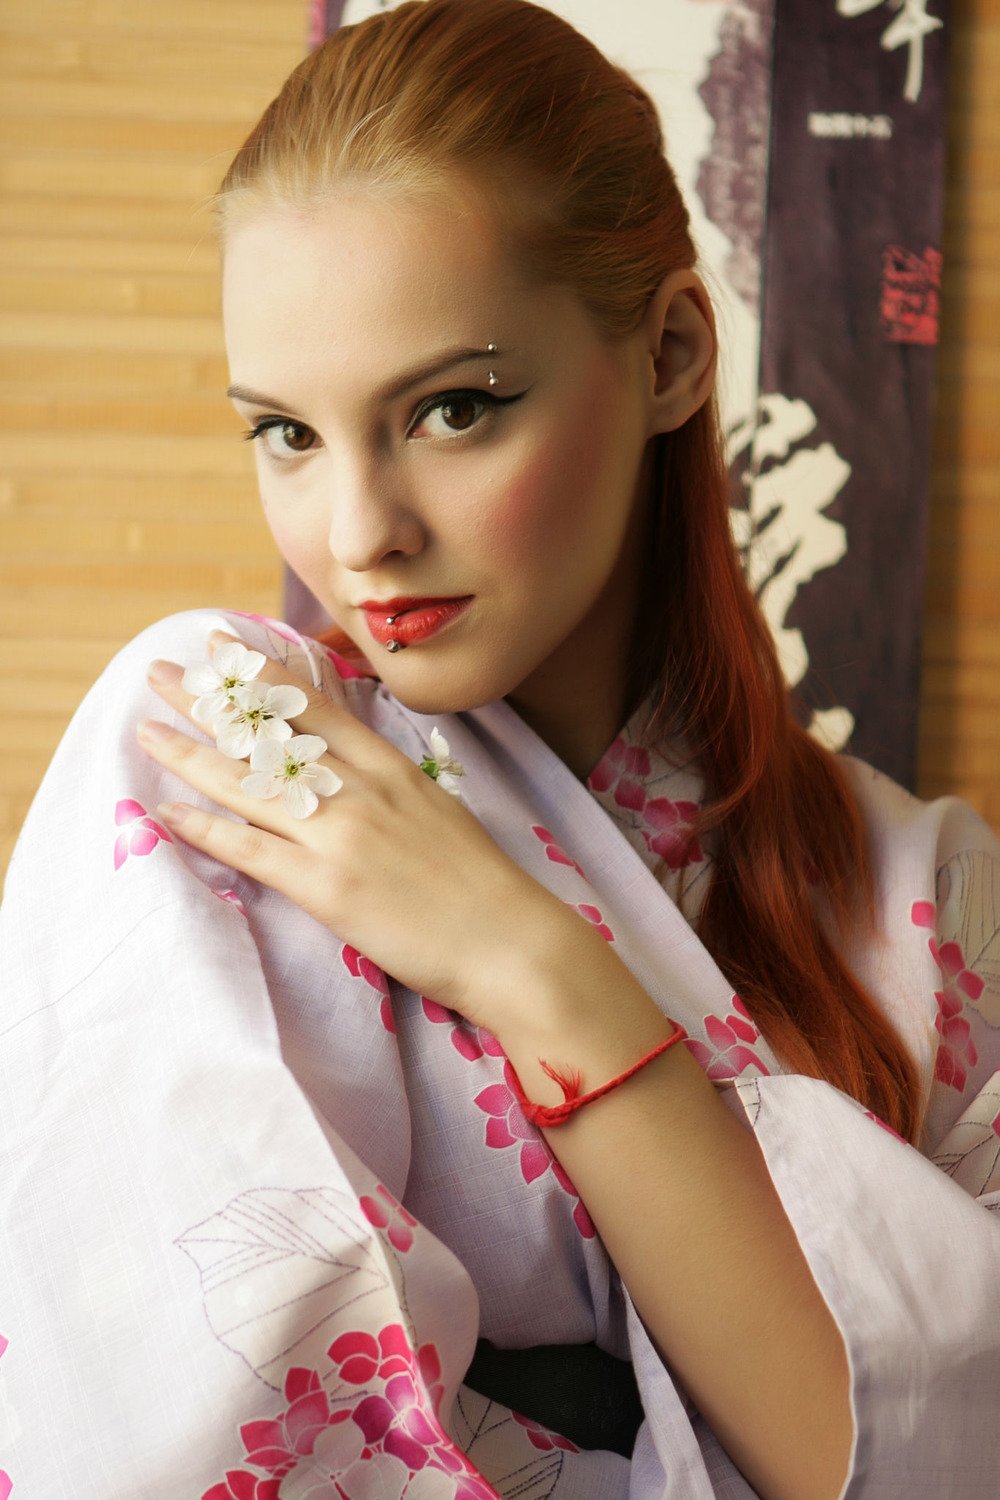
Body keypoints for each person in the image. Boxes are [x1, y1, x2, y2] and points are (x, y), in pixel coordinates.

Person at [1, 1, 998, 1496]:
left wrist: (522, 958)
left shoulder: (938, 900)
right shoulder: (234, 756)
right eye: (286, 433)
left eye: (453, 410)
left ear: (669, 356)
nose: (359, 533)